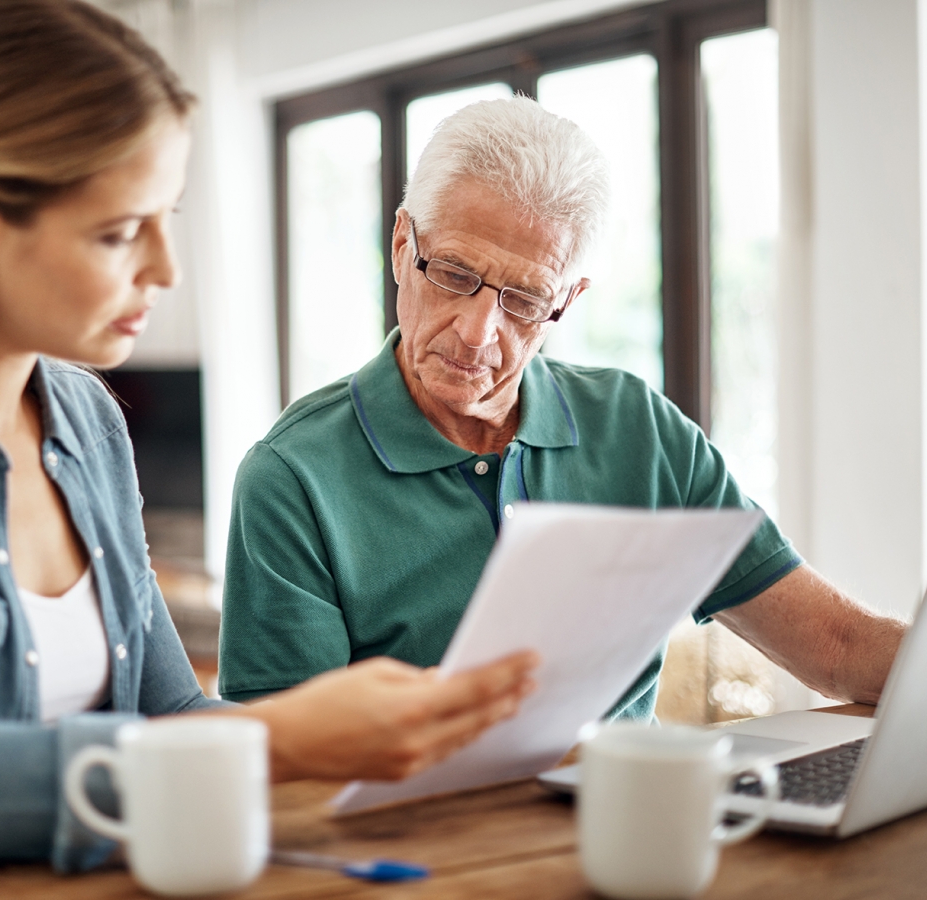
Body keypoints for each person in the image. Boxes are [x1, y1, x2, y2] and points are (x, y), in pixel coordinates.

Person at [0, 0, 539, 870]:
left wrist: (385, 743)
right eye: (119, 232)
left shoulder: (87, 418)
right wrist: (279, 740)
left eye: (167, 218)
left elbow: (172, 718)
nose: (165, 269)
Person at [218, 96, 907, 716]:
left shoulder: (637, 430)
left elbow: (837, 647)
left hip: (628, 831)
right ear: (404, 246)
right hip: (426, 849)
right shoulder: (292, 476)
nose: (477, 333)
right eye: (456, 275)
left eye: (522, 301)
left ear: (565, 304)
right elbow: (288, 763)